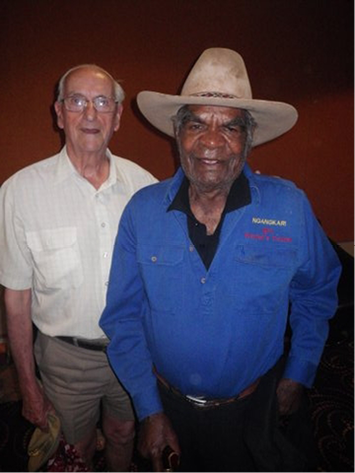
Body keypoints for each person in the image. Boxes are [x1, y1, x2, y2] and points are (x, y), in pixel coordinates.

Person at [99, 48, 341, 473]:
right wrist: (148, 408)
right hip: (166, 406)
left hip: (254, 409)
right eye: (196, 124)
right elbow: (122, 318)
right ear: (178, 134)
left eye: (229, 127)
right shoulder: (142, 211)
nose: (211, 142)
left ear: (248, 139)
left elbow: (317, 292)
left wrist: (299, 371)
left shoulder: (289, 207)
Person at [0, 64, 157, 472]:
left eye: (103, 102)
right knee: (76, 450)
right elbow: (16, 300)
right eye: (77, 101)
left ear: (118, 116)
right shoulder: (20, 193)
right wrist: (27, 385)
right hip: (65, 360)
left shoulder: (146, 189)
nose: (90, 113)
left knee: (124, 434)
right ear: (59, 112)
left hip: (133, 350)